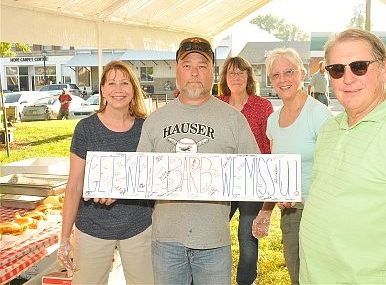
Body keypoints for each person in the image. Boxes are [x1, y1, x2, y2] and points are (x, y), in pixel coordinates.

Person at [299, 28, 386, 284]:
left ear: (384, 69)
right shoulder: (330, 128)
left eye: (359, 66)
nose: (348, 78)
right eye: (337, 70)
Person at [136, 37, 260, 285]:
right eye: (187, 65)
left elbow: (256, 175)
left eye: (202, 66)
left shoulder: (234, 120)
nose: (194, 72)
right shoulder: (154, 121)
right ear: (177, 71)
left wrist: (280, 188)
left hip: (213, 240)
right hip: (166, 241)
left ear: (213, 72)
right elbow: (137, 177)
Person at [57, 60, 154, 284]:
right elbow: (73, 186)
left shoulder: (146, 128)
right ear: (102, 89)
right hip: (91, 229)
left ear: (133, 88)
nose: (118, 89)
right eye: (111, 83)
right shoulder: (86, 128)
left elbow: (152, 177)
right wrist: (64, 238)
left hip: (138, 227)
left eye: (124, 83)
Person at [251, 48, 332, 284]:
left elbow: (334, 168)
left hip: (319, 212)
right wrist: (267, 208)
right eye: (275, 75)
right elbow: (276, 169)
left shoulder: (319, 115)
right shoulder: (273, 120)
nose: (282, 79)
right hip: (291, 212)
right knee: (297, 276)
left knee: (320, 277)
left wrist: (314, 198)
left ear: (302, 74)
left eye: (289, 72)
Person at [217, 56, 274, 285]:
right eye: (232, 73)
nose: (237, 77)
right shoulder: (216, 104)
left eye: (241, 73)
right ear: (225, 78)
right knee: (214, 233)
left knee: (247, 238)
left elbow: (268, 146)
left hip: (252, 181)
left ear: (249, 76)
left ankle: (245, 282)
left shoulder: (262, 106)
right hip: (222, 182)